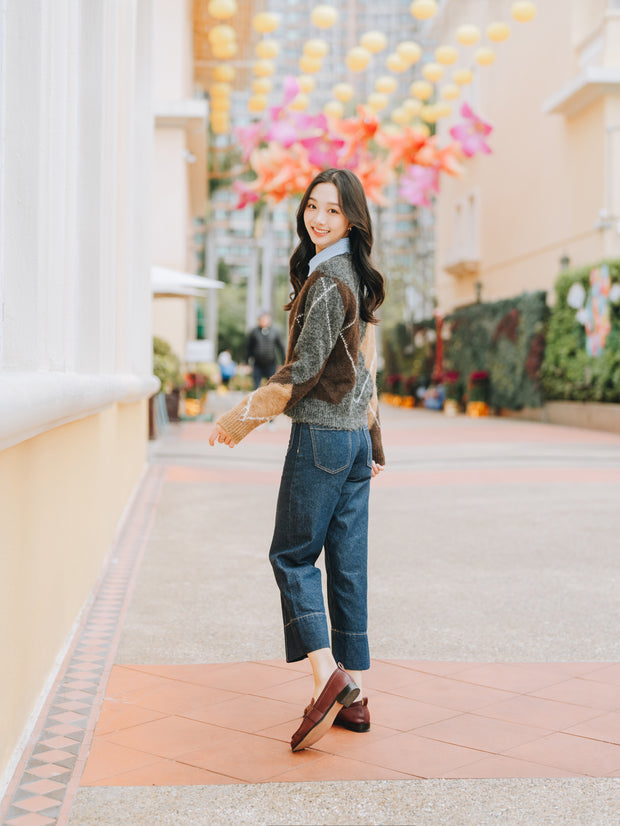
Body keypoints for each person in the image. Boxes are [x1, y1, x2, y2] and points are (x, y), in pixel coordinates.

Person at [209, 168, 385, 752]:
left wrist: (243, 417)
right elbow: (366, 372)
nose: (318, 218)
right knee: (347, 564)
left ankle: (325, 678)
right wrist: (375, 443)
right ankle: (354, 694)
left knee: (290, 557)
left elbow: (304, 370)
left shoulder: (331, 280)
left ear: (352, 219)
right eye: (313, 206)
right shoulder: (355, 278)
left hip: (323, 441)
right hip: (354, 443)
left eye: (332, 211)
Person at [246, 311, 285, 390]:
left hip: (271, 364)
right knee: (256, 386)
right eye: (261, 319)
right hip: (257, 364)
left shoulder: (275, 332)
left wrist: (283, 362)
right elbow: (248, 348)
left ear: (269, 320)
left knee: (271, 386)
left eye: (265, 319)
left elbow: (281, 347)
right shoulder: (254, 332)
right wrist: (246, 363)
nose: (263, 321)